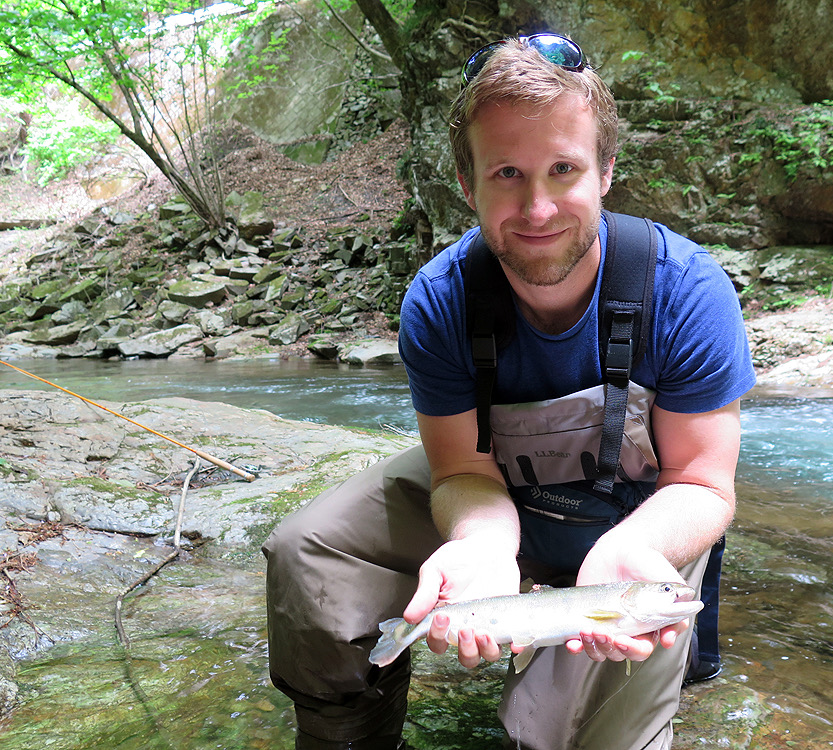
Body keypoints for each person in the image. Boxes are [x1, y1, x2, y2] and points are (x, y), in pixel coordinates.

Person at [263, 33, 756, 750]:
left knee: (578, 732)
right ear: (468, 185)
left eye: (563, 169)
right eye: (507, 174)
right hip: (502, 496)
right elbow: (463, 469)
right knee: (310, 552)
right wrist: (482, 548)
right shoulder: (441, 300)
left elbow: (703, 483)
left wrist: (628, 555)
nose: (538, 206)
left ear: (606, 171)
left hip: (637, 524)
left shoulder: (685, 291)